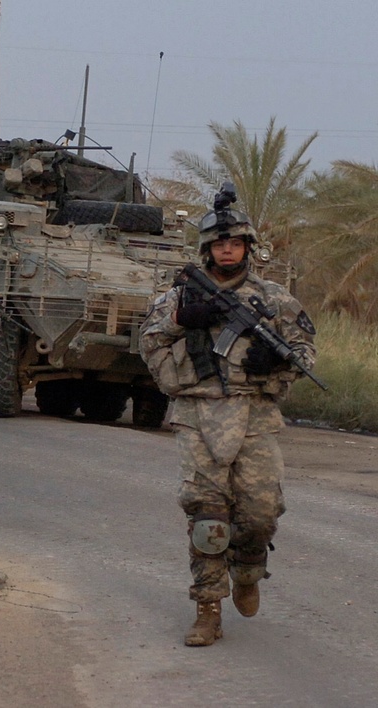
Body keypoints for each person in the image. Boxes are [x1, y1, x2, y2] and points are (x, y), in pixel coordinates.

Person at [140, 190, 317, 647]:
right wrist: (183, 319)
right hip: (197, 412)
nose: (227, 249)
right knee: (207, 518)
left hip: (255, 413)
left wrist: (273, 363)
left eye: (235, 242)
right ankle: (207, 610)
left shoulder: (274, 299)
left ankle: (249, 568)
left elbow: (304, 352)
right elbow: (149, 343)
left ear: (247, 248)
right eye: (219, 243)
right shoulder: (180, 295)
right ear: (207, 248)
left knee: (259, 515)